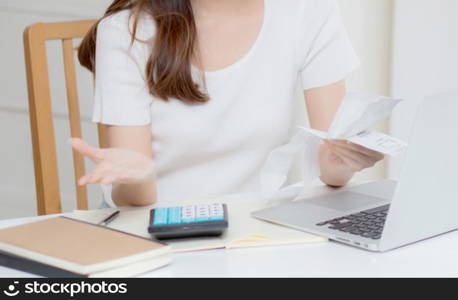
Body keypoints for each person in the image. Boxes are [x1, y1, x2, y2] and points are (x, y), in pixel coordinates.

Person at [70, 0, 383, 207]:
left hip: (255, 228)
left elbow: (330, 167)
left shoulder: (307, 12)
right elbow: (135, 198)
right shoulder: (127, 32)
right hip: (153, 227)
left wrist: (343, 164)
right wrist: (140, 176)